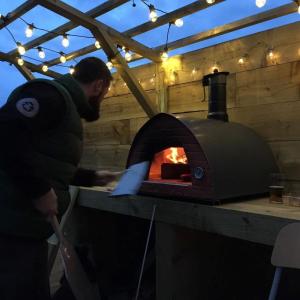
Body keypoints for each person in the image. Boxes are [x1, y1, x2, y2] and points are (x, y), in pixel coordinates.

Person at [0, 57, 118, 300]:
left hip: (28, 227)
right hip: (10, 229)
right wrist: (39, 190)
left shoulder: (67, 108)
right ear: (98, 86)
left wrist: (93, 177)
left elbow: (46, 162)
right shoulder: (50, 94)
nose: (103, 99)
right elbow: (4, 132)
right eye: (105, 92)